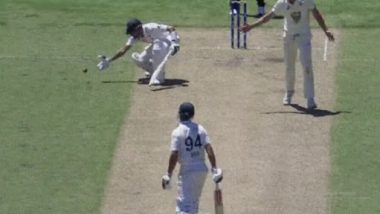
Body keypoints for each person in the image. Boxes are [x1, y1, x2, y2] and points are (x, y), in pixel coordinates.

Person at [241, 0, 335, 109]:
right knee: (289, 67)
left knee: (307, 67)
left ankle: (310, 98)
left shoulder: (306, 1)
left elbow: (316, 14)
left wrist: (326, 30)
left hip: (304, 37)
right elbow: (267, 18)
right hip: (288, 37)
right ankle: (289, 92)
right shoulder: (282, 3)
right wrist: (251, 26)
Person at [162, 102, 223, 214]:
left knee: (184, 206)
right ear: (192, 115)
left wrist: (168, 174)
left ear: (180, 114)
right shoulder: (201, 129)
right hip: (201, 169)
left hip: (187, 171)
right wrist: (214, 169)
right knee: (193, 203)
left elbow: (174, 154)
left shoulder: (177, 132)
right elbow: (208, 148)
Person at [96, 18, 180, 86]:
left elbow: (171, 28)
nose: (132, 35)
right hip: (157, 43)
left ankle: (159, 79)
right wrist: (109, 60)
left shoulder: (151, 27)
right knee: (138, 58)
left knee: (156, 48)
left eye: (133, 32)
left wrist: (175, 43)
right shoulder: (134, 37)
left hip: (168, 41)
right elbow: (123, 50)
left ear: (139, 28)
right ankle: (154, 72)